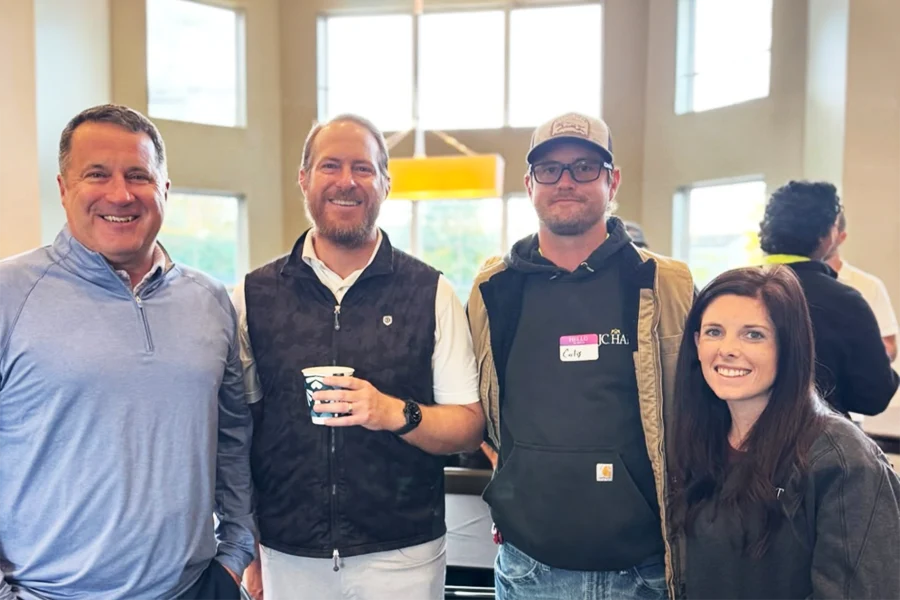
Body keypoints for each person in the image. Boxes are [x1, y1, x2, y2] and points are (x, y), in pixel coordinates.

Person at [0, 104, 255, 600]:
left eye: (138, 175)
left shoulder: (209, 300)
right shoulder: (9, 292)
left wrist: (235, 553)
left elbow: (233, 438)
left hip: (194, 589)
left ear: (165, 190)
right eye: (97, 174)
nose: (121, 193)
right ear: (63, 188)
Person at [233, 113, 484, 600]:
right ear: (304, 179)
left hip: (402, 556)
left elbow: (469, 424)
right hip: (288, 553)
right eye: (330, 166)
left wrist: (393, 412)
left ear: (386, 184)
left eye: (363, 168)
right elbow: (242, 431)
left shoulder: (430, 292)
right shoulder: (252, 295)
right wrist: (250, 545)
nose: (346, 182)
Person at [467, 112, 695, 599]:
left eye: (584, 167)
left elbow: (700, 403)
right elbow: (478, 400)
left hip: (644, 568)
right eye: (549, 170)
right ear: (530, 184)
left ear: (612, 181)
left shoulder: (667, 283)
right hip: (531, 567)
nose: (565, 181)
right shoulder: (492, 288)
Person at [669, 265, 900, 599]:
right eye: (714, 332)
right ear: (696, 343)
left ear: (789, 346)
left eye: (754, 334)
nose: (728, 349)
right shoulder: (700, 444)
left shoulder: (842, 461)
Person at [759, 180, 898, 416]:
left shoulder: (730, 290)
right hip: (819, 441)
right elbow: (874, 396)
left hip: (739, 442)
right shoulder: (845, 301)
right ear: (827, 236)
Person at [825, 211, 898, 361]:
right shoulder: (790, 282)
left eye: (827, 228)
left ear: (841, 237)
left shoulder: (869, 286)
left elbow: (889, 346)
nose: (820, 236)